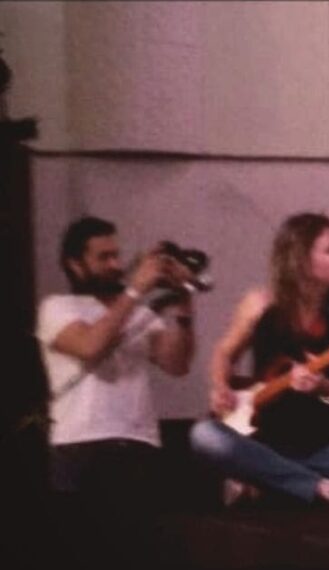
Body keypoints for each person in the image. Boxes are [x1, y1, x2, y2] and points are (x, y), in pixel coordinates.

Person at [190, 213, 329, 506]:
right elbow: (224, 353)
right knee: (205, 435)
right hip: (264, 440)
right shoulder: (259, 303)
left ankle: (273, 482)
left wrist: (324, 388)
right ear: (300, 260)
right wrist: (220, 386)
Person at [36, 215, 197, 564]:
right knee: (84, 553)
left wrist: (184, 304)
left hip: (138, 443)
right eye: (103, 257)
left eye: (116, 255)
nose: (115, 265)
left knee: (136, 554)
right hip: (81, 447)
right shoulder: (57, 308)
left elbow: (176, 363)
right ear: (75, 265)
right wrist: (136, 289)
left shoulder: (137, 313)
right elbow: (90, 345)